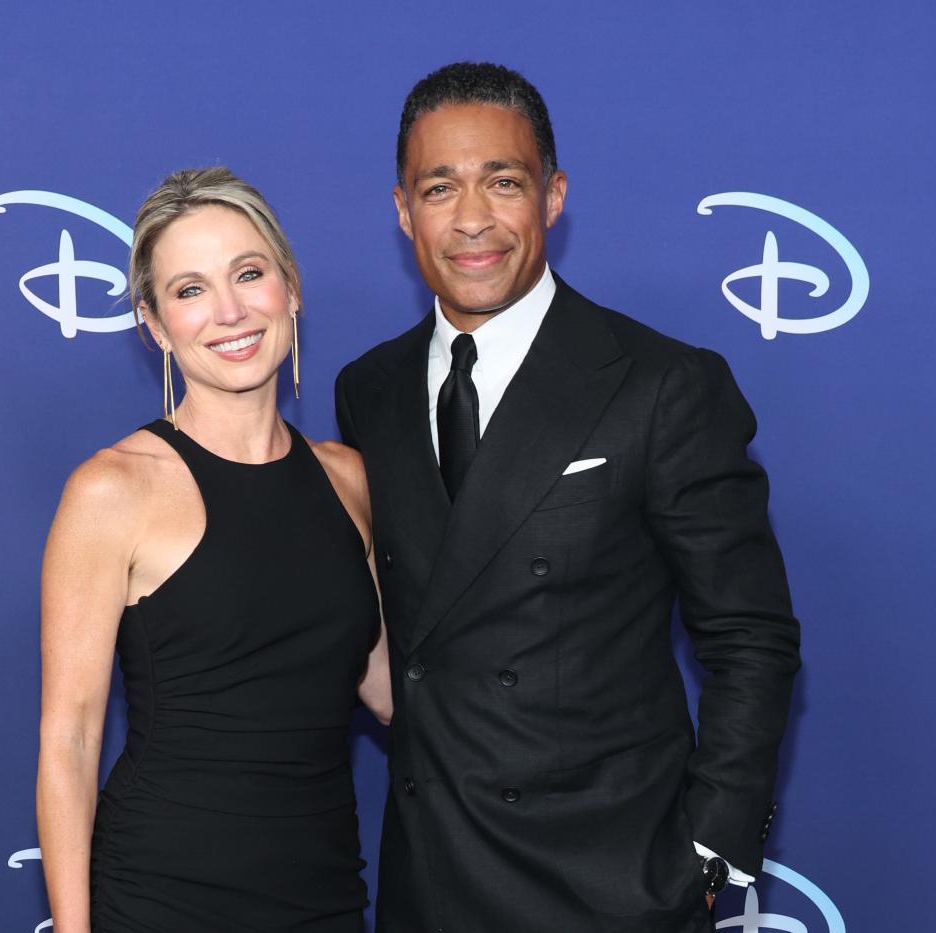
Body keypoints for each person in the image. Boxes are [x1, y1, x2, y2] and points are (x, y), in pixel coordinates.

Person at [335, 63, 801, 933]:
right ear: (403, 210)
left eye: (502, 182)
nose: (472, 219)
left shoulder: (661, 384)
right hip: (431, 879)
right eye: (440, 187)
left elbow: (749, 635)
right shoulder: (371, 389)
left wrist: (706, 858)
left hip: (613, 882)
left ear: (553, 196)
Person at [37, 167, 391, 933]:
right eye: (190, 290)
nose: (229, 311)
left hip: (325, 894)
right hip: (164, 896)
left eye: (250, 273)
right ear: (155, 324)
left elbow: (395, 690)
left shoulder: (349, 479)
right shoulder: (112, 489)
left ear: (290, 288)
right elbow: (70, 738)